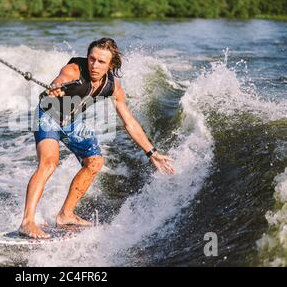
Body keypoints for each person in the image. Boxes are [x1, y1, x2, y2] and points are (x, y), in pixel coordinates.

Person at [19, 37, 176, 239]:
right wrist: (54, 89)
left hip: (70, 120)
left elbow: (129, 122)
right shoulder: (74, 71)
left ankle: (66, 214)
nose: (94, 65)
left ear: (111, 65)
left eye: (101, 62)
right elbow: (58, 81)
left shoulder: (113, 87)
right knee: (49, 163)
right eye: (92, 59)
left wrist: (152, 153)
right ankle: (27, 222)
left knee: (95, 161)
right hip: (48, 115)